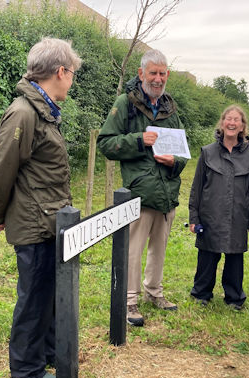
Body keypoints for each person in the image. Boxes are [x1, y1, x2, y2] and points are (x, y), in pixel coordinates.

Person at [0, 38, 81, 378]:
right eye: (72, 74)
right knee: (34, 299)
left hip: (51, 221)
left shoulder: (45, 110)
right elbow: (1, 172)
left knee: (50, 295)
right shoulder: (23, 113)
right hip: (33, 224)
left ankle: (50, 354)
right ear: (60, 71)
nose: (72, 81)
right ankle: (26, 370)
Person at [97, 49, 187, 327]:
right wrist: (139, 140)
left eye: (162, 73)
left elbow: (183, 152)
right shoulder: (126, 103)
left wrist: (176, 162)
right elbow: (105, 143)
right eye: (153, 73)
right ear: (141, 74)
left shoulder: (171, 108)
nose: (158, 79)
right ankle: (129, 301)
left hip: (166, 193)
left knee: (158, 248)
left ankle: (154, 292)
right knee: (133, 250)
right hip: (139, 193)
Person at [188, 105, 249, 310]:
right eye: (228, 118)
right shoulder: (207, 152)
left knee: (235, 258)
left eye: (236, 119)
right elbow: (197, 188)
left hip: (238, 215)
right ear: (222, 123)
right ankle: (201, 292)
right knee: (207, 256)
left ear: (242, 126)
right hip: (210, 214)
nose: (232, 123)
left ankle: (234, 297)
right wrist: (194, 217)